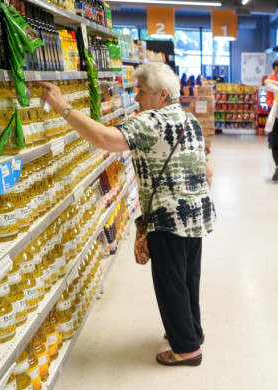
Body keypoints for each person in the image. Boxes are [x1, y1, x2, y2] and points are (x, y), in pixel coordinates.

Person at [38, 62, 216, 367]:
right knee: (188, 278)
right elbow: (207, 170)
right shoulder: (190, 121)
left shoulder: (151, 122)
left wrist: (63, 107)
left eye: (141, 91)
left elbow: (105, 139)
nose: (136, 97)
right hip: (197, 213)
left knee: (170, 283)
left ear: (162, 95)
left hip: (168, 218)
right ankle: (192, 332)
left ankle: (187, 349)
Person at [265, 61, 278, 150]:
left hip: (272, 103)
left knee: (272, 122)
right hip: (272, 103)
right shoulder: (273, 78)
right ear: (276, 67)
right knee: (273, 123)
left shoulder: (273, 77)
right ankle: (272, 142)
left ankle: (272, 142)